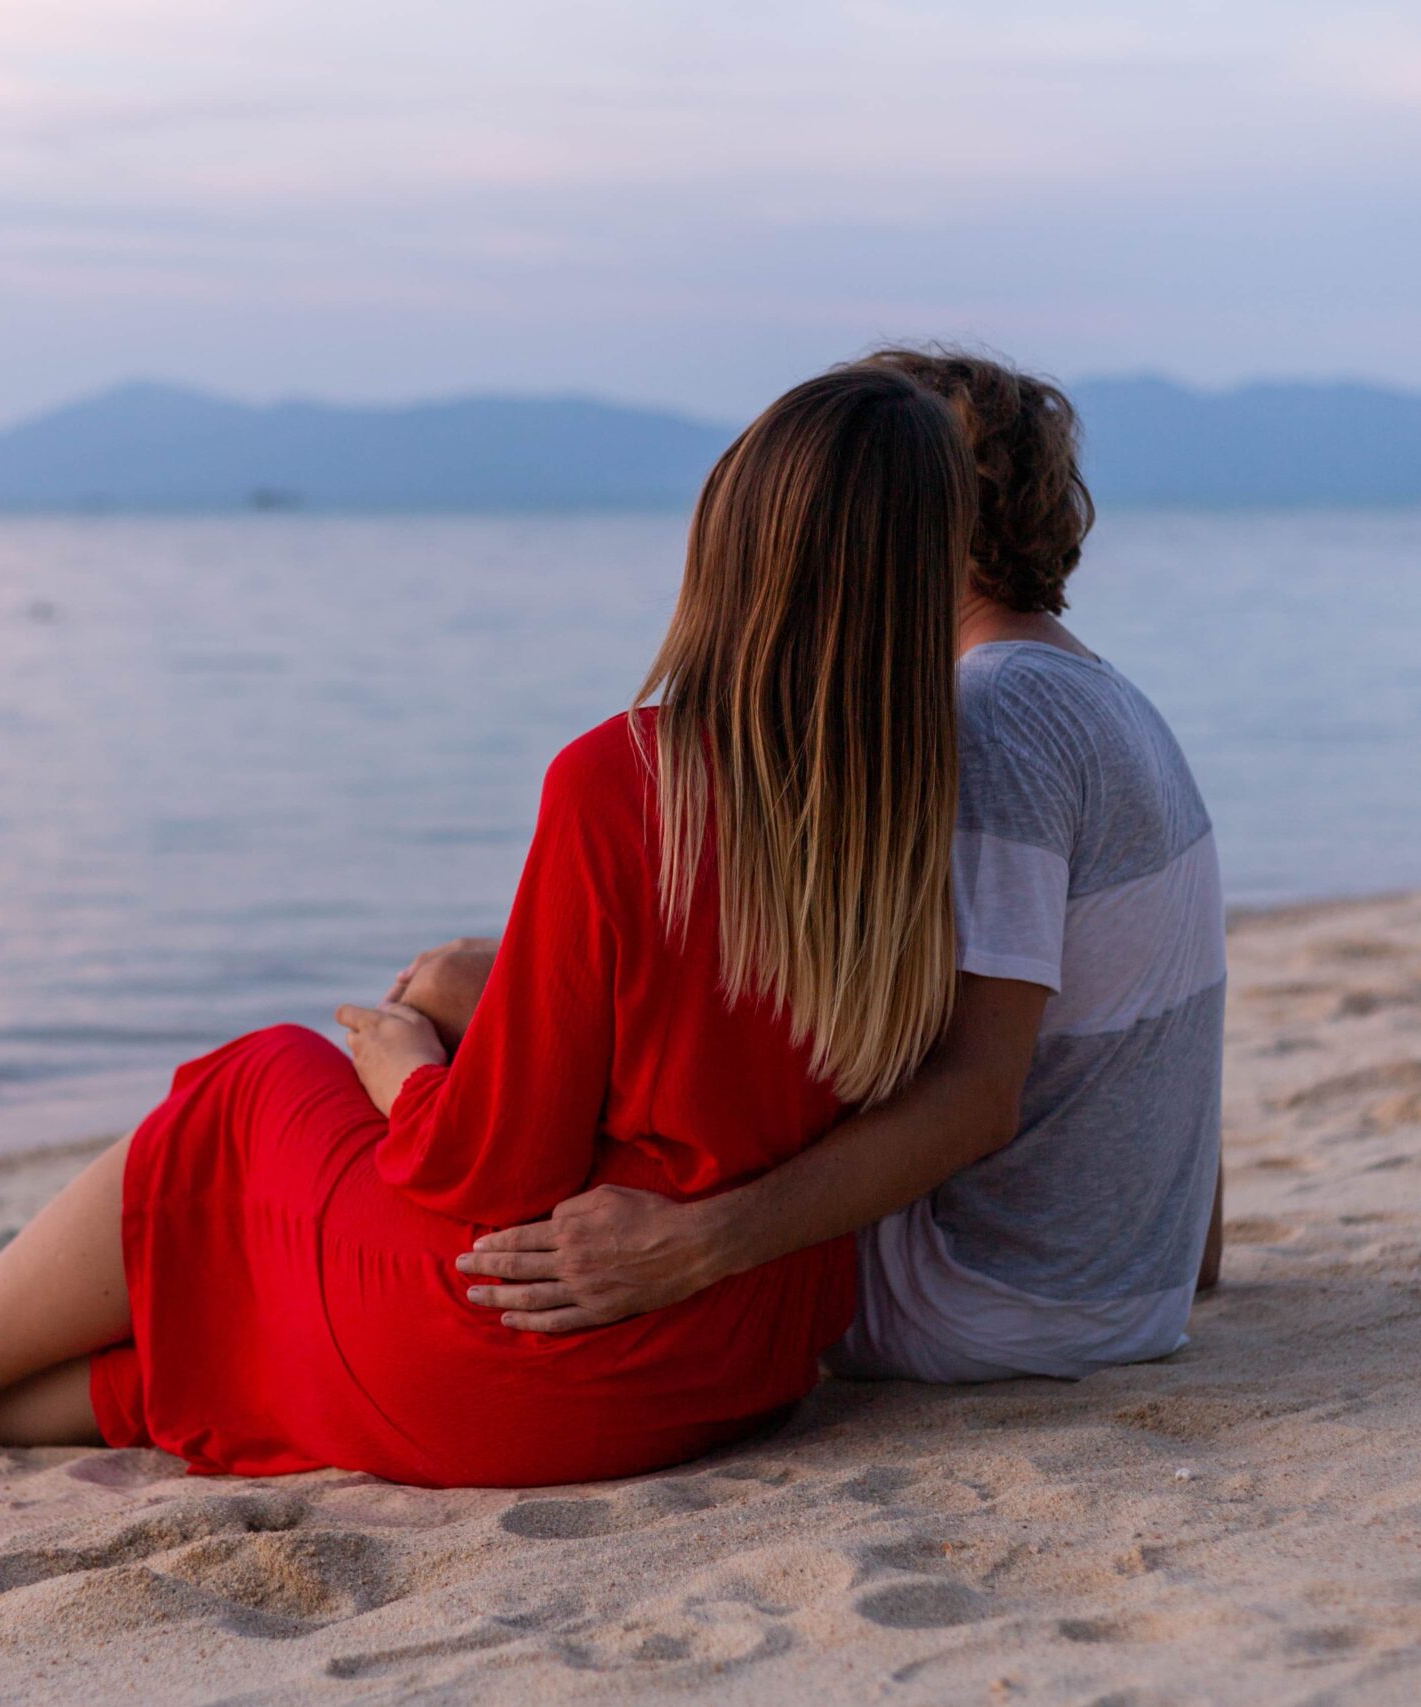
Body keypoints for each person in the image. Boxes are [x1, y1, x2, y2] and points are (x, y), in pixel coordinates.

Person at [0, 363, 979, 1486]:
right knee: (231, 1326)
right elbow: (724, 1050)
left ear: (733, 544)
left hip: (552, 1354)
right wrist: (501, 986)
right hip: (740, 1362)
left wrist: (403, 1057)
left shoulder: (628, 779)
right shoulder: (929, 808)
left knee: (258, 1083)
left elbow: (486, 1174)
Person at [446, 347, 1227, 1382]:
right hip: (1117, 1288)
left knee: (479, 1004)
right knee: (506, 992)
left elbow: (976, 1095)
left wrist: (693, 1246)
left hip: (980, 1298)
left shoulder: (990, 722)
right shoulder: (1102, 695)